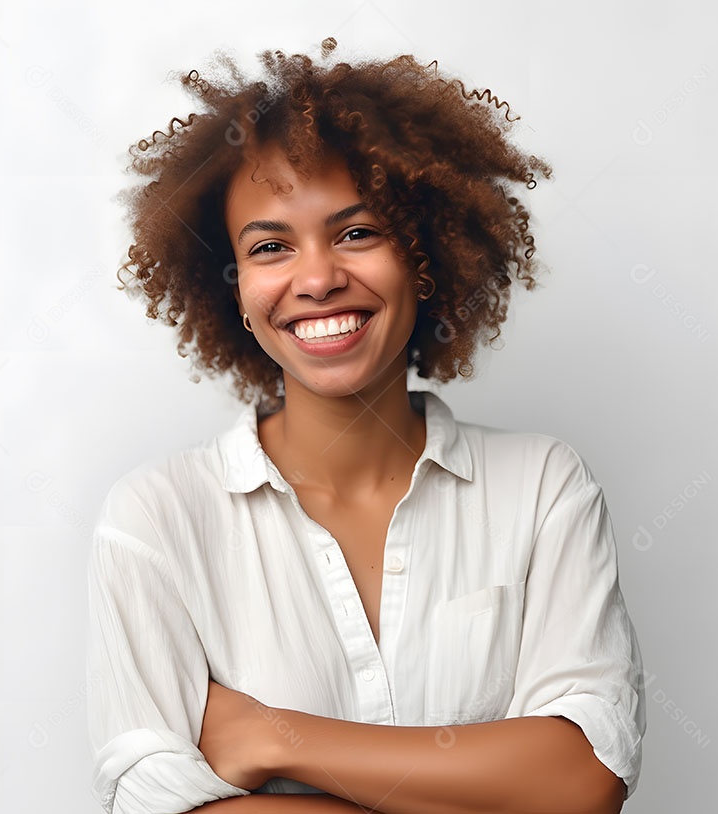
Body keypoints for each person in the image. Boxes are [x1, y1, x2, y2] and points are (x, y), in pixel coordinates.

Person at [87, 39, 645, 814]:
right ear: (233, 290)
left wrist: (276, 736)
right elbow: (152, 804)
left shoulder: (543, 489)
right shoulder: (156, 520)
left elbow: (581, 783)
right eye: (271, 246)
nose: (316, 278)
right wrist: (492, 787)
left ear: (426, 256)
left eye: (357, 233)